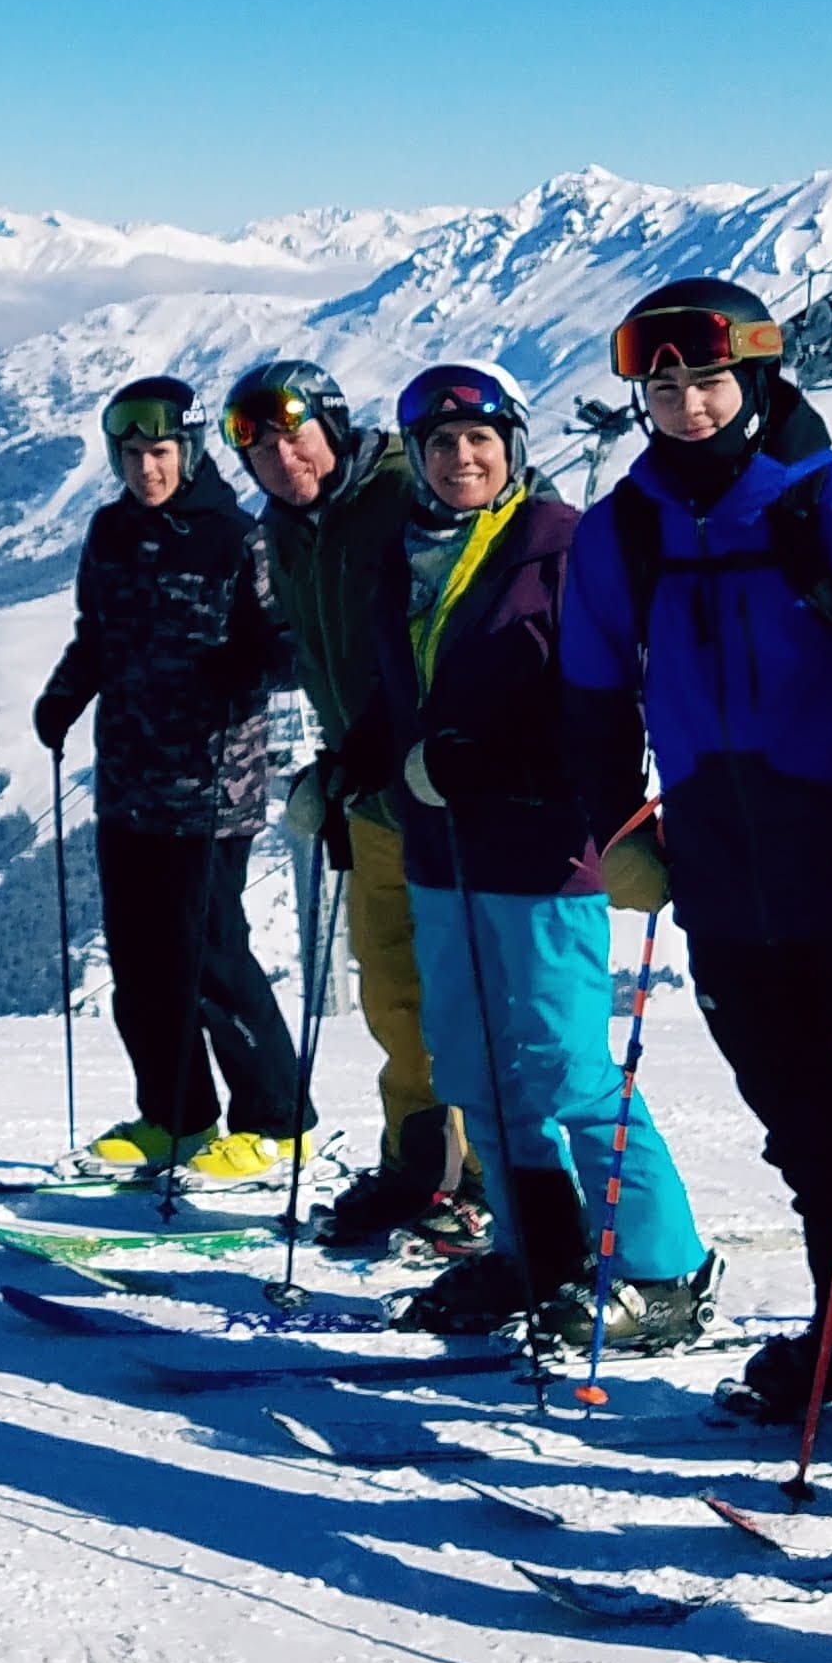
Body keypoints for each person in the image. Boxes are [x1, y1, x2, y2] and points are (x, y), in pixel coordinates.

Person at [556, 277, 832, 1422]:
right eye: (664, 385)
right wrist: (621, 832)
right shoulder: (623, 530)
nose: (687, 405)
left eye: (707, 380)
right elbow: (592, 698)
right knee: (806, 1131)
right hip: (724, 881)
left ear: (757, 378)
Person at [366, 365, 714, 1344]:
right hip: (440, 848)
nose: (460, 457)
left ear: (512, 447)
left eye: (479, 439)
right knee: (474, 1067)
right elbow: (397, 694)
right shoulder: (404, 557)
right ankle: (539, 1251)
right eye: (439, 444)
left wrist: (485, 760)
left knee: (564, 1067)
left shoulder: (557, 547)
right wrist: (352, 758)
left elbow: (596, 702)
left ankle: (662, 1266)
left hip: (538, 853)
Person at [224, 360, 478, 1254]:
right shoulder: (289, 529)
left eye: (297, 434)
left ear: (333, 425)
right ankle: (420, 1163)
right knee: (394, 994)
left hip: (450, 788)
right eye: (260, 447)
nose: (283, 456)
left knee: (470, 995)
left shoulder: (404, 490)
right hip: (370, 795)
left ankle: (484, 1179)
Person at [32, 375, 313, 1180]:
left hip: (211, 784)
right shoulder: (111, 531)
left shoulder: (235, 536)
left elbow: (291, 646)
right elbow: (97, 634)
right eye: (129, 454)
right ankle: (175, 1116)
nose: (143, 469)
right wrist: (63, 694)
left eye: (157, 452)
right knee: (140, 964)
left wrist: (245, 663)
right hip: (126, 779)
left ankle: (276, 1120)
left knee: (211, 955)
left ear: (186, 450)